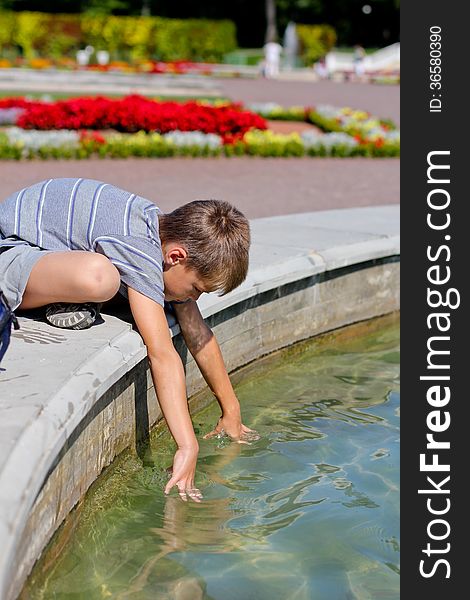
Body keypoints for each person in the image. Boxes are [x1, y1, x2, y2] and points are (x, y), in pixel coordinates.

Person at [0, 178, 256, 501]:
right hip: (10, 250)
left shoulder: (159, 237)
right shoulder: (139, 247)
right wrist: (188, 444)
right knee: (100, 277)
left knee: (141, 291)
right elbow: (161, 354)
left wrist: (231, 409)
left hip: (44, 255)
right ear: (176, 256)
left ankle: (71, 298)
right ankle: (67, 298)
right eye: (196, 289)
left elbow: (197, 331)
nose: (195, 299)